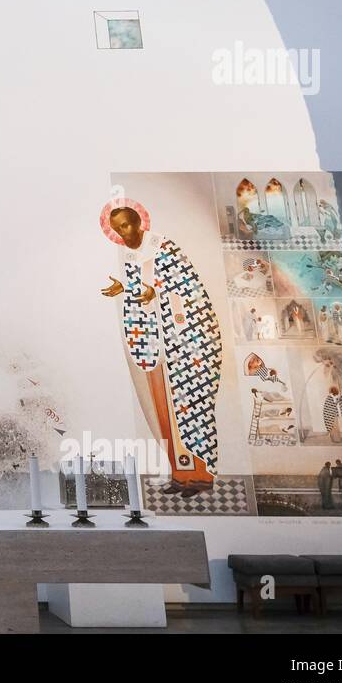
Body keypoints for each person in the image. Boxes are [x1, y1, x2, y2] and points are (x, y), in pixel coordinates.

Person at [100, 199, 222, 497]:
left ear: (139, 221)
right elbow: (138, 292)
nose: (123, 232)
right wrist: (125, 289)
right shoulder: (129, 256)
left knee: (191, 408)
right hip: (152, 343)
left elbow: (187, 285)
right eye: (117, 229)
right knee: (164, 411)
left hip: (182, 342)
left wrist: (158, 291)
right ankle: (180, 475)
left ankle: (201, 476)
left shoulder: (164, 247)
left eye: (126, 225)